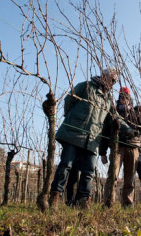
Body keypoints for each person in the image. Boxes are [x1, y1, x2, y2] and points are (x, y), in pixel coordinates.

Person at [49, 68, 118, 209]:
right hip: (74, 133)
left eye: (115, 81)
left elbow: (114, 118)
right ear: (104, 76)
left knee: (89, 171)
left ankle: (83, 200)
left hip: (92, 139)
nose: (113, 83)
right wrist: (74, 120)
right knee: (65, 165)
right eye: (112, 79)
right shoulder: (85, 86)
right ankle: (54, 196)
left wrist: (128, 128)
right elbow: (69, 101)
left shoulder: (108, 99)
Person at [100, 87, 141, 208]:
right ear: (119, 98)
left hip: (133, 147)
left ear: (130, 99)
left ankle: (128, 204)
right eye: (122, 97)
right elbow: (105, 132)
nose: (124, 100)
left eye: (127, 98)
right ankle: (108, 203)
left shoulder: (135, 114)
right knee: (113, 176)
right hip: (117, 147)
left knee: (130, 179)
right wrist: (102, 152)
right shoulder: (112, 113)